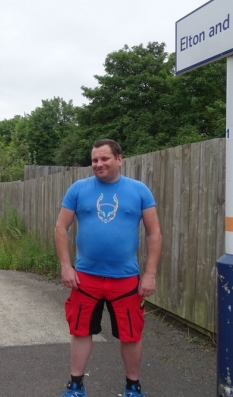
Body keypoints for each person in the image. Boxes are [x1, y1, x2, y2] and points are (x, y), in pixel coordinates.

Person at [54, 139, 162, 397]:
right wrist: (66, 267)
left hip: (125, 280)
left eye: (104, 159)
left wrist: (149, 274)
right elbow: (61, 228)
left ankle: (132, 387)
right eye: (94, 160)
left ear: (119, 159)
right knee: (80, 331)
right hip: (85, 278)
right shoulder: (78, 189)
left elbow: (153, 233)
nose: (98, 164)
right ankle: (76, 386)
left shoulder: (139, 191)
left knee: (131, 334)